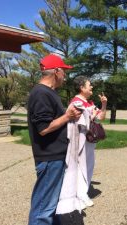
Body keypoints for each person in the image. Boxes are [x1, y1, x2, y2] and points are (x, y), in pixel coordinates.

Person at [27, 54, 82, 225]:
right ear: (56, 71)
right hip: (49, 158)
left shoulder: (49, 93)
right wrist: (67, 116)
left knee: (54, 205)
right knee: (44, 208)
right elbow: (43, 129)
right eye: (64, 71)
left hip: (56, 156)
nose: (65, 76)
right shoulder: (41, 93)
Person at [56, 76, 107, 214]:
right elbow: (78, 119)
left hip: (89, 140)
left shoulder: (89, 102)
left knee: (89, 165)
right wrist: (91, 114)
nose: (91, 88)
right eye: (89, 85)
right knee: (80, 166)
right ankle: (80, 194)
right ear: (81, 87)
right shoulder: (76, 102)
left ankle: (83, 192)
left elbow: (100, 117)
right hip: (79, 140)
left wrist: (103, 105)